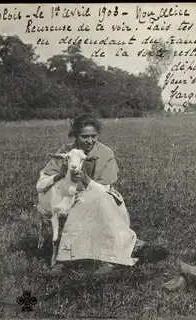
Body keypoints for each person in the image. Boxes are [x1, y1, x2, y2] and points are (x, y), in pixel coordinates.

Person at [36, 113, 153, 274]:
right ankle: (67, 257)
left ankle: (106, 259)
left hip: (101, 194)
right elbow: (44, 180)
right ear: (75, 135)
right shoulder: (66, 151)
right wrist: (61, 174)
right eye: (84, 137)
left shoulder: (105, 153)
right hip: (72, 196)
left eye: (93, 136)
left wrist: (85, 179)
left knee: (90, 203)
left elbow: (105, 188)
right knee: (77, 203)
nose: (90, 141)